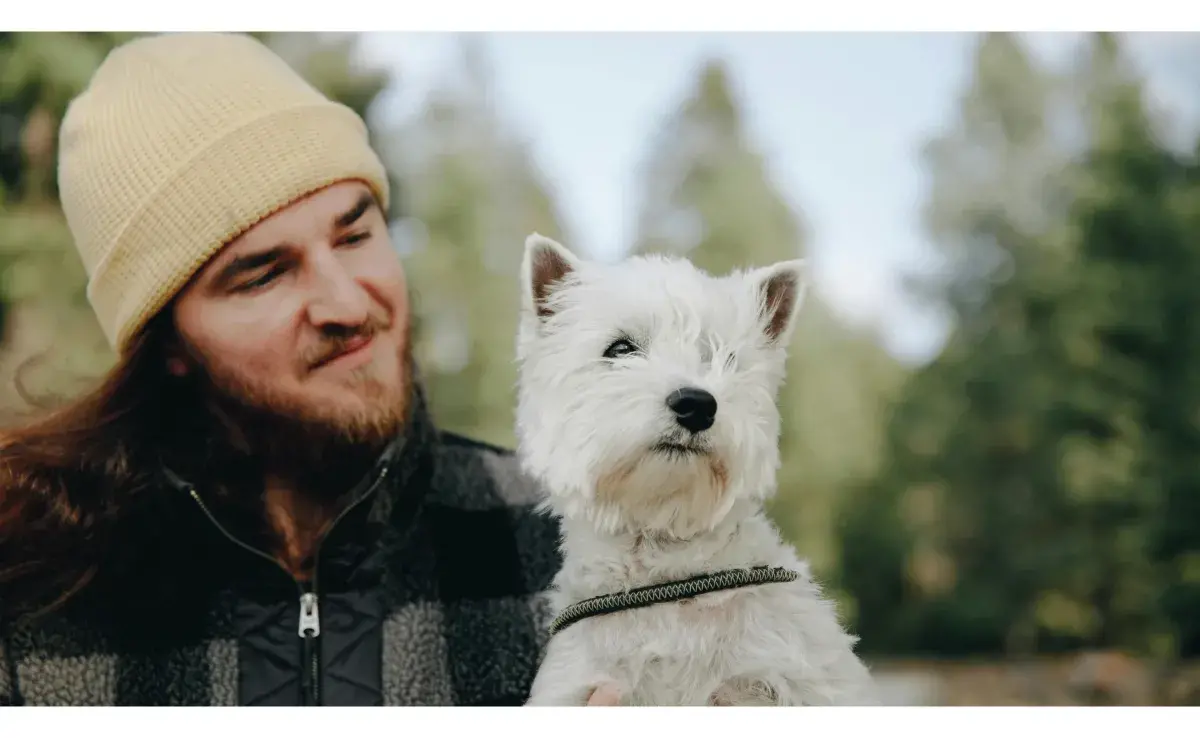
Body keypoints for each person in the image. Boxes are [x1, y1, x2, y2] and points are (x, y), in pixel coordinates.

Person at [0, 32, 605, 707]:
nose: (347, 303)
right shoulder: (37, 608)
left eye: (355, 235)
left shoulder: (573, 540)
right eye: (264, 276)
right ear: (167, 344)